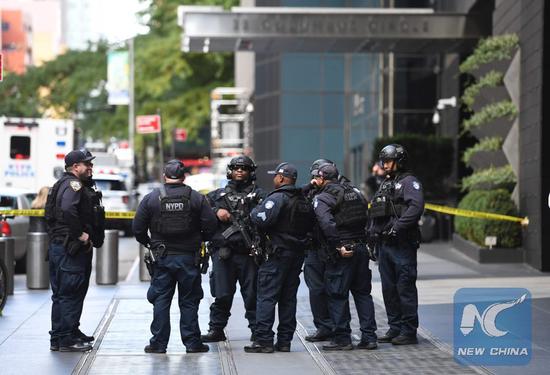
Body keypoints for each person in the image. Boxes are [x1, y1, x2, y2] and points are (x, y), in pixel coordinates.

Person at [133, 159, 218, 354]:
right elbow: (211, 225)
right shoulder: (196, 198)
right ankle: (192, 343)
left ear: (164, 176)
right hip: (189, 258)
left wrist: (149, 243)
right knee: (189, 301)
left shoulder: (151, 198)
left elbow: (137, 228)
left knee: (161, 300)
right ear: (184, 176)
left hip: (162, 258)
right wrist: (199, 239)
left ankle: (158, 343)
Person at [244, 162, 313, 353]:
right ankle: (284, 341)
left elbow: (259, 219)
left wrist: (254, 211)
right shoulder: (303, 200)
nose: (274, 179)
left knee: (266, 297)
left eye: (276, 176)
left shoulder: (277, 198)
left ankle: (263, 340)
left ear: (281, 178)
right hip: (296, 255)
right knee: (288, 299)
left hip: (276, 255)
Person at [312, 163, 377, 351]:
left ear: (321, 178)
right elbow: (368, 215)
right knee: (363, 294)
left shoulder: (324, 197)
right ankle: (369, 337)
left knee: (337, 295)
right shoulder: (355, 192)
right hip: (361, 248)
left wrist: (337, 245)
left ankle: (342, 339)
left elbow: (326, 223)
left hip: (343, 251)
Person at [201, 156, 266, 343]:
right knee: (222, 294)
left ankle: (257, 330)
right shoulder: (216, 196)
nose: (239, 171)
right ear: (230, 170)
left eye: (244, 168)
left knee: (252, 295)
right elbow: (199, 209)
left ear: (250, 172)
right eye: (236, 168)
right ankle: (216, 329)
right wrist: (216, 211)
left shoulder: (259, 196)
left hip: (249, 254)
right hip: (224, 254)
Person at [45, 149, 103, 352]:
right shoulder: (73, 185)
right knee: (69, 292)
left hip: (62, 247)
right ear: (75, 166)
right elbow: (69, 210)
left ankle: (66, 332)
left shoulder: (64, 184)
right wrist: (81, 234)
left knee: (66, 293)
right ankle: (65, 338)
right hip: (70, 248)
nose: (90, 168)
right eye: (87, 164)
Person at [368, 144, 424, 346]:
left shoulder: (410, 182)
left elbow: (416, 207)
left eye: (388, 160)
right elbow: (376, 210)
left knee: (404, 287)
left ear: (399, 161)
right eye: (383, 161)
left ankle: (408, 331)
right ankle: (395, 327)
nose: (385, 164)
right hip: (385, 245)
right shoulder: (385, 183)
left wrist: (398, 226)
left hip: (402, 244)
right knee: (389, 289)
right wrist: (371, 235)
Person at [300, 159, 335, 342]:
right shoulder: (309, 193)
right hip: (313, 247)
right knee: (316, 289)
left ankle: (336, 326)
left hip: (331, 246)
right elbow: (295, 198)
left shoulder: (338, 191)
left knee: (335, 288)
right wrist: (309, 187)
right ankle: (323, 326)